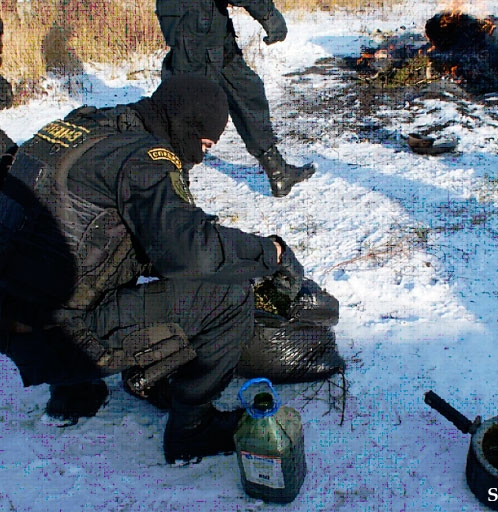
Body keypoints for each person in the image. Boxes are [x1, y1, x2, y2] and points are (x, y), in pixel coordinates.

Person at [0, 75, 305, 464]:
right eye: (204, 146)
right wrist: (268, 253)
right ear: (185, 126)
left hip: (13, 321)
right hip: (58, 339)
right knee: (228, 295)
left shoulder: (83, 125)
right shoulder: (144, 158)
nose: (200, 158)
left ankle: (74, 393)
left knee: (84, 250)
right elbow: (191, 252)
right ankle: (192, 432)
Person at [155, 0, 315, 198]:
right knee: (191, 108)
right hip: (195, 28)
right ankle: (173, 191)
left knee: (247, 93)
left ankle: (278, 172)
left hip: (206, 27)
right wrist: (268, 14)